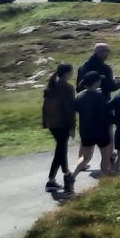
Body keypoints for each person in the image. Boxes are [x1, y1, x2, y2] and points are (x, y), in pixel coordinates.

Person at [41, 63, 76, 192]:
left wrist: (45, 122)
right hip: (63, 123)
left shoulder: (52, 84)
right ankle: (66, 174)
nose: (72, 74)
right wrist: (73, 126)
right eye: (72, 72)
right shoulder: (67, 87)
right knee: (62, 150)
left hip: (52, 122)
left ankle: (51, 180)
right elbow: (69, 109)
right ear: (67, 73)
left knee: (60, 150)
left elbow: (46, 106)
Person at [72, 71, 114, 180]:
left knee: (85, 157)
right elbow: (106, 113)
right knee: (105, 157)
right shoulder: (100, 96)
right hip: (101, 131)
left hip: (86, 131)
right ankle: (104, 178)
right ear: (96, 82)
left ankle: (72, 176)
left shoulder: (79, 96)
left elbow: (76, 110)